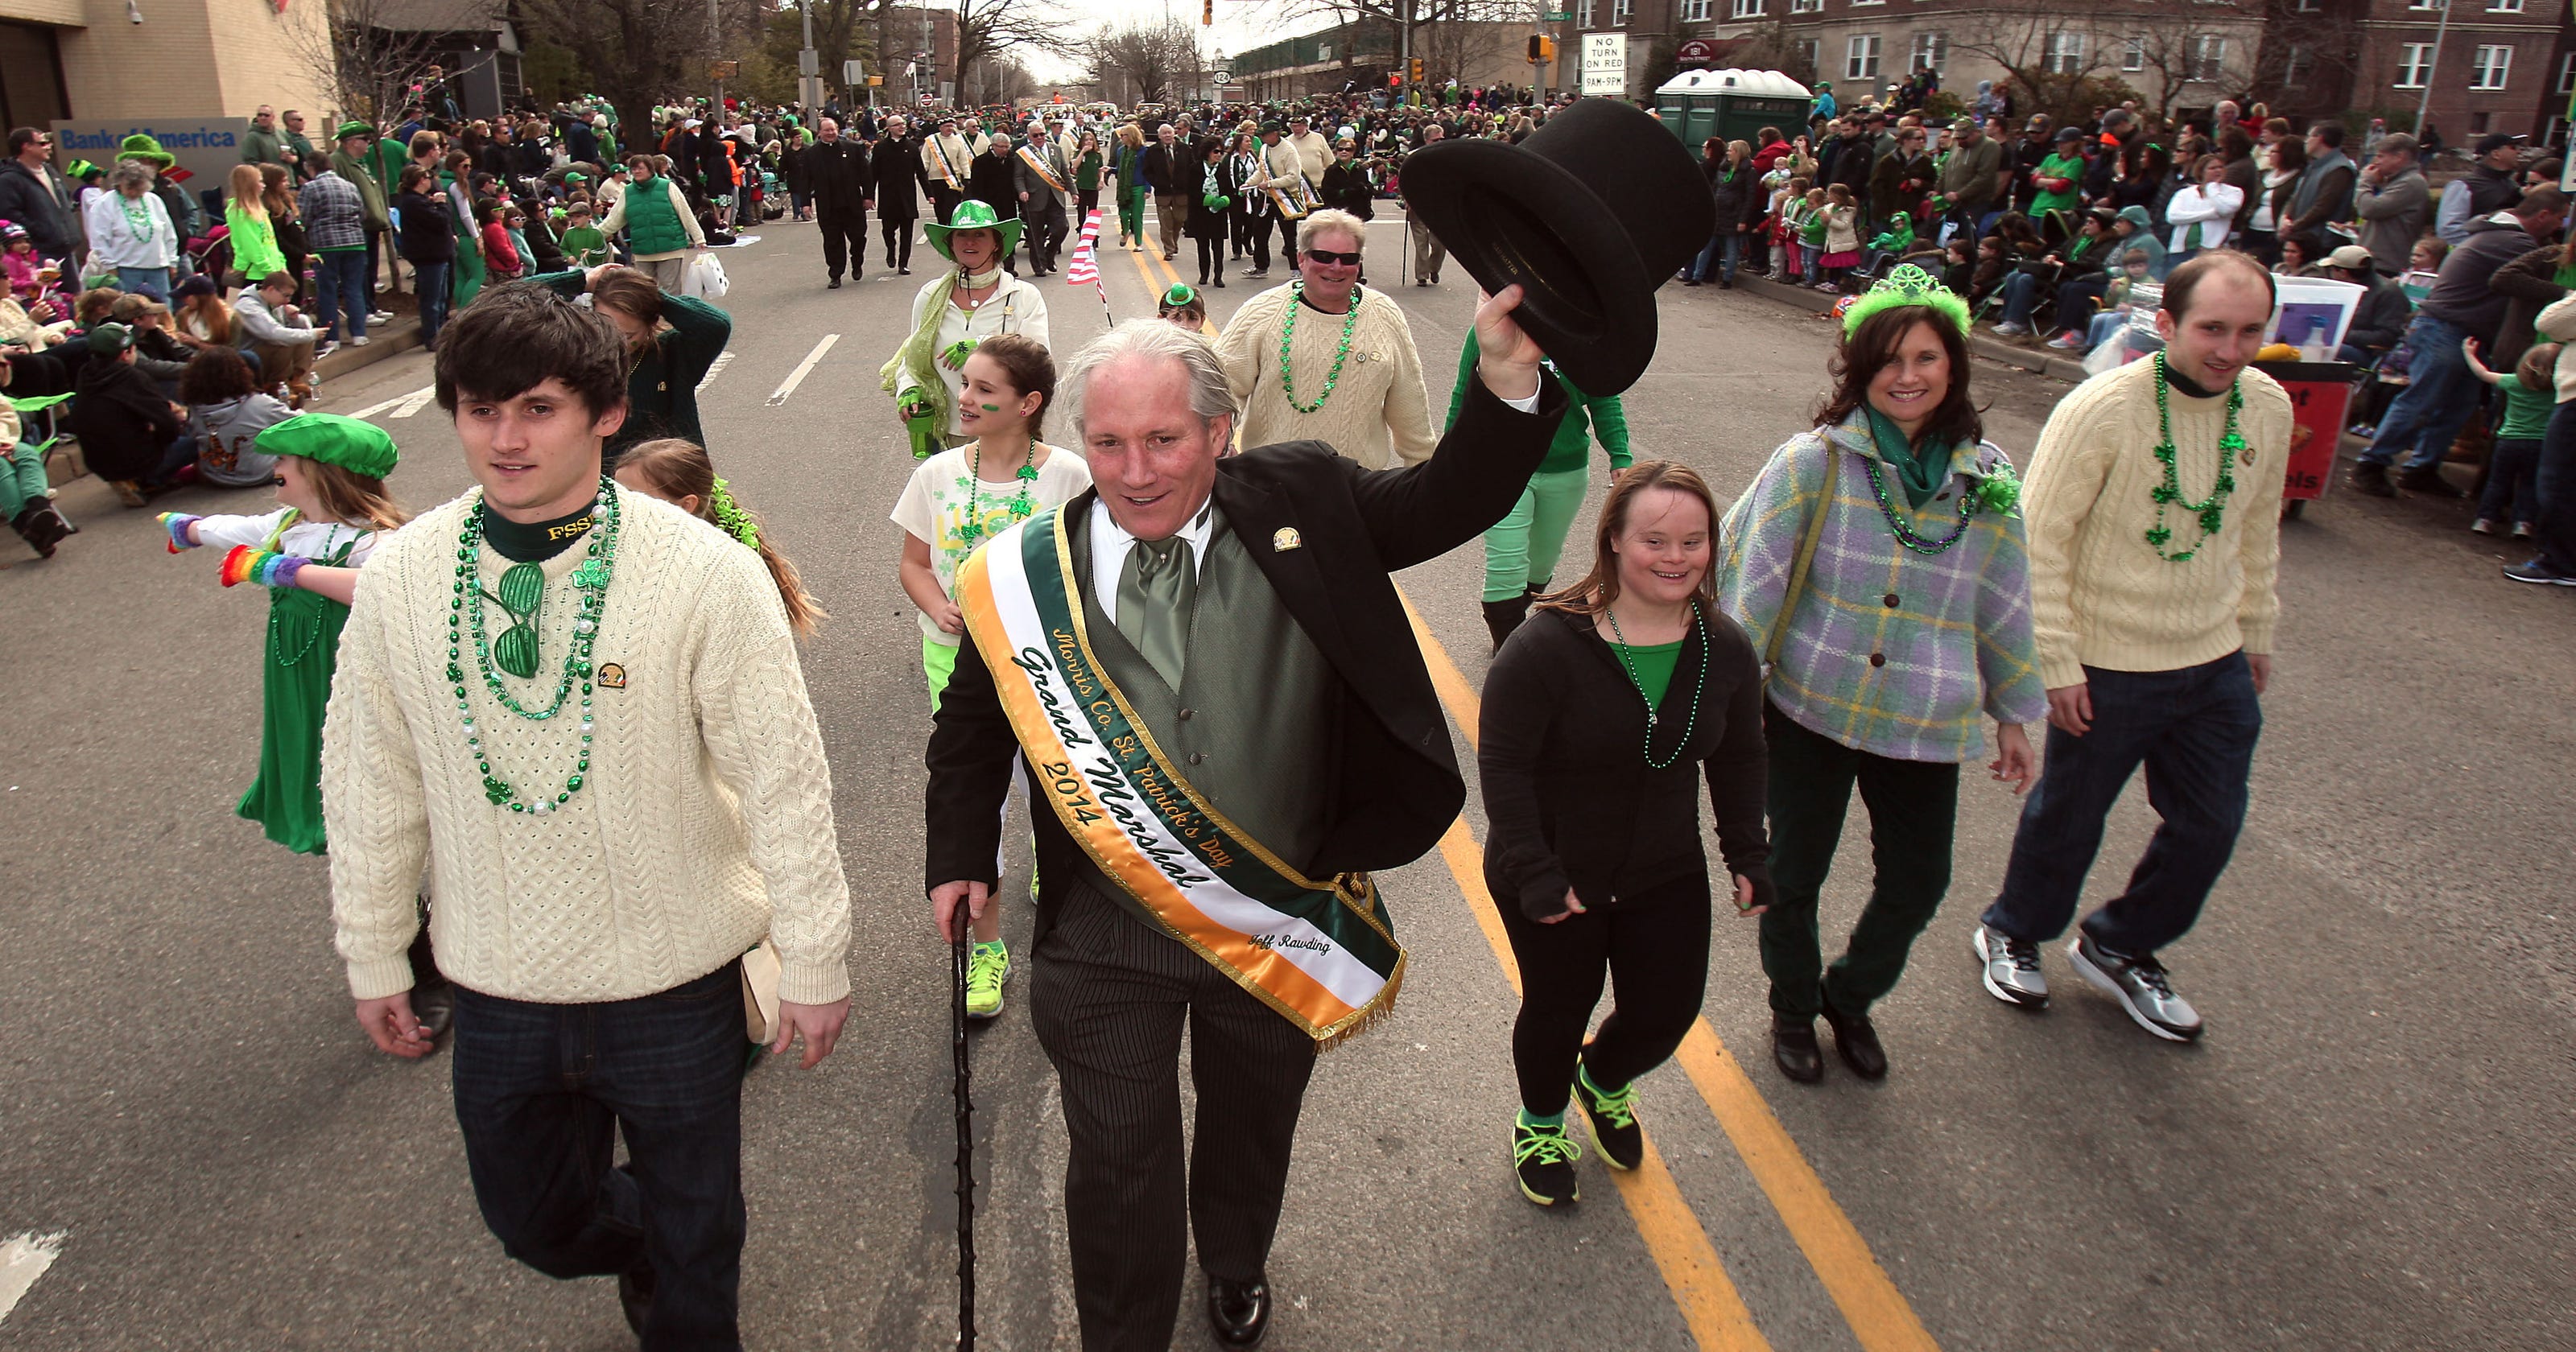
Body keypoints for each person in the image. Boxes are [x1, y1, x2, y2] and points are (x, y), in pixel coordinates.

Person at [923, 292, 1558, 1351]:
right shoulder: (1030, 576)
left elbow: (1452, 497)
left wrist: (1502, 379)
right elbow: (971, 730)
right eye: (1110, 443)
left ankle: (1232, 1257)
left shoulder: (1306, 493)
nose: (1134, 471)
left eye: (1165, 439)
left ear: (1219, 431)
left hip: (1280, 908)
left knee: (1249, 1125)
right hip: (1103, 933)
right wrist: (957, 859)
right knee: (1118, 1159)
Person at [320, 282, 853, 1348]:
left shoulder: (704, 573)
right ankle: (652, 1244)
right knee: (538, 1224)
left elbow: (783, 777)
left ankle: (689, 1297)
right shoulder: (405, 577)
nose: (505, 439)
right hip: (499, 983)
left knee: (701, 1231)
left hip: (675, 980)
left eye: (538, 409)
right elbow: (370, 776)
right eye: (480, 410)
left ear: (608, 414)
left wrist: (815, 956)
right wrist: (376, 950)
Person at [1718, 266, 2045, 1081]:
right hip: (1808, 707)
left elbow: (2003, 599)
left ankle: (1850, 995)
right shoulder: (1812, 463)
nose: (1906, 377)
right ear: (1858, 370)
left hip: (1924, 719)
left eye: (1926, 358)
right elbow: (1748, 577)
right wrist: (1729, 697)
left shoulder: (1987, 477)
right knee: (1790, 874)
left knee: (1917, 883)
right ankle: (1791, 1006)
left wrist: (2011, 712)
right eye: (1888, 360)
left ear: (1953, 366)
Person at [1975, 252, 2293, 1042]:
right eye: (2210, 330)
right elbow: (2035, 541)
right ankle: (2013, 929)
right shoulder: (2101, 409)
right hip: (2109, 661)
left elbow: (2256, 528)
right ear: (2164, 325)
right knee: (2070, 815)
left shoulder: (2266, 406)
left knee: (2210, 823)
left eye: (2249, 332)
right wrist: (2052, 659)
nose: (2229, 350)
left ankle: (2121, 944)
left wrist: (2255, 629)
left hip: (2212, 658)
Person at [1477, 460, 1770, 1206]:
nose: (1677, 558)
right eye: (1656, 540)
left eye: (1694, 541)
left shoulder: (1724, 648)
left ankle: (1601, 1078)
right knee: (1556, 1008)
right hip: (1553, 866)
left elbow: (1739, 753)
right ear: (1613, 541)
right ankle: (1541, 1122)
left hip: (1662, 869)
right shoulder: (1546, 646)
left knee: (1665, 1013)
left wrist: (1747, 848)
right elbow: (1503, 764)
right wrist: (1534, 869)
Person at [890, 334, 1092, 1019]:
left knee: (1057, 792)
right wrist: (938, 606)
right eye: (966, 385)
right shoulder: (937, 475)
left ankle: (1058, 892)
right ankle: (988, 948)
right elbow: (914, 565)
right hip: (955, 668)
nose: (965, 399)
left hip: (1048, 667)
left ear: (1029, 404)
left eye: (984, 391)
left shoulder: (1069, 475)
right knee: (981, 803)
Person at [157, 414, 407, 856]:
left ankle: (372, 824)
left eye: (285, 459)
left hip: (346, 663)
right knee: (302, 733)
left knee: (352, 740)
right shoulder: (291, 524)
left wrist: (285, 571)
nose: (275, 465)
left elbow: (381, 591)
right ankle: (315, 813)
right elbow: (239, 528)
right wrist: (192, 529)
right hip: (293, 659)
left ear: (319, 472)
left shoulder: (373, 539)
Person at [2351, 188, 2567, 499]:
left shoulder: (2492, 232)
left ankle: (2422, 467)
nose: (2560, 225)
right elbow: (2525, 276)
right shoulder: (2514, 242)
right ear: (2543, 215)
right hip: (2447, 327)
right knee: (2422, 400)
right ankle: (2371, 463)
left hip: (2459, 331)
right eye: (2560, 218)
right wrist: (2565, 294)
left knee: (2457, 406)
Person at [1447, 327, 1631, 647]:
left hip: (1566, 471)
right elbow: (1464, 395)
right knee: (1507, 565)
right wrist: (1445, 462)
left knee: (1541, 563)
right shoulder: (1489, 329)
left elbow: (1605, 400)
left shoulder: (1587, 334)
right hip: (1500, 469)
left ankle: (1513, 629)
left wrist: (1620, 455)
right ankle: (1510, 651)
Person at [1215, 209, 1434, 470]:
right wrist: (1216, 450)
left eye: (1348, 259)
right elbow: (1221, 394)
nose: (1336, 267)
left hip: (1359, 493)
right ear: (1301, 259)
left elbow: (1411, 411)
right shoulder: (1261, 313)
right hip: (1270, 488)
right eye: (1324, 256)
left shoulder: (1384, 314)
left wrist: (1424, 477)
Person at [883, 200, 1051, 460]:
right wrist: (909, 388)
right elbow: (914, 356)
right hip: (950, 429)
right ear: (951, 243)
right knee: (952, 499)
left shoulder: (1023, 296)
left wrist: (983, 347)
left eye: (979, 235)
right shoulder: (930, 296)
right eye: (962, 234)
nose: (969, 242)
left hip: (1007, 430)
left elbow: (1039, 358)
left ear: (996, 243)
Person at [613, 438, 828, 635]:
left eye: (636, 498)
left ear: (686, 505)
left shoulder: (716, 574)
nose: (621, 508)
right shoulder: (622, 550)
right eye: (617, 495)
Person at [532, 264, 732, 472]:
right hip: (602, 487)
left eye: (628, 336)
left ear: (651, 323)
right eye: (605, 326)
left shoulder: (672, 354)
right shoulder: (573, 355)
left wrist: (652, 296)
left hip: (670, 479)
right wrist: (581, 281)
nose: (615, 341)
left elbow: (716, 325)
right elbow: (509, 302)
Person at [70, 324, 188, 506]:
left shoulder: (84, 376)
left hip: (99, 462)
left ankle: (130, 479)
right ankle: (149, 480)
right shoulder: (131, 377)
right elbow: (167, 422)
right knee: (195, 440)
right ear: (126, 354)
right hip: (138, 460)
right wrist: (169, 434)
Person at [2463, 338, 2553, 540]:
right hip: (2540, 445)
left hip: (2508, 442)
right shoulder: (2556, 391)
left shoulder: (2513, 382)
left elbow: (2483, 374)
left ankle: (2485, 519)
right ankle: (2524, 523)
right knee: (2529, 484)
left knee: (2497, 482)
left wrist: (2469, 354)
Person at [177, 346, 293, 488]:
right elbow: (303, 423)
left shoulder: (195, 409)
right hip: (263, 474)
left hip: (217, 477)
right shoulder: (258, 403)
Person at [600, 154, 704, 294]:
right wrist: (593, 235)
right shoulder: (628, 192)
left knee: (670, 290)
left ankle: (672, 316)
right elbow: (614, 220)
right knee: (645, 291)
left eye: (640, 168)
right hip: (643, 250)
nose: (636, 171)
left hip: (670, 248)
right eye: (633, 169)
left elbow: (685, 214)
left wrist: (699, 238)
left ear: (650, 169)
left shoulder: (668, 187)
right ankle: (652, 316)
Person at [299, 152, 370, 354]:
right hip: (355, 241)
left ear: (311, 167)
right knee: (354, 289)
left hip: (326, 244)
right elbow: (361, 212)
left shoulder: (310, 188)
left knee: (327, 291)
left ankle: (332, 338)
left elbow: (304, 217)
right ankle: (359, 334)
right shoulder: (349, 185)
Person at [85, 162, 178, 300]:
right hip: (126, 268)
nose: (134, 192)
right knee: (130, 309)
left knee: (163, 308)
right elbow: (99, 239)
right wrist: (110, 266)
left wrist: (172, 261)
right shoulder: (105, 203)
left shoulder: (154, 200)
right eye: (130, 187)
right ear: (119, 183)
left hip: (158, 267)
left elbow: (169, 234)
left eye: (139, 187)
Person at [233, 270, 321, 408]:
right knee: (284, 342)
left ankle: (294, 380)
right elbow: (273, 334)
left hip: (266, 349)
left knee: (303, 335)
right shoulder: (247, 306)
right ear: (271, 289)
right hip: (248, 355)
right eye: (285, 296)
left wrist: (296, 318)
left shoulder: (273, 302)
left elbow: (295, 329)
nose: (287, 301)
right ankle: (276, 386)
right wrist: (312, 334)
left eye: (290, 297)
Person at [803, 117, 872, 289]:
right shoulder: (812, 154)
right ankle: (835, 274)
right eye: (826, 130)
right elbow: (805, 180)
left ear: (837, 130)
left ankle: (857, 263)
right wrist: (805, 204)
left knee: (858, 238)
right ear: (819, 132)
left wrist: (869, 197)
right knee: (832, 242)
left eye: (833, 129)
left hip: (852, 204)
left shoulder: (853, 149)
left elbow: (865, 174)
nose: (830, 133)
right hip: (828, 206)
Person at [392, 165, 456, 349]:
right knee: (432, 300)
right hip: (429, 256)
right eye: (428, 177)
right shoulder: (413, 202)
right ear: (421, 180)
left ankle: (442, 331)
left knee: (442, 297)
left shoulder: (421, 200)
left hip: (439, 254)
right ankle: (432, 337)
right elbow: (440, 221)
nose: (431, 181)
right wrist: (442, 204)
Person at [2351, 133, 2428, 275]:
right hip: (2376, 259)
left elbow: (2369, 209)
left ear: (2399, 156)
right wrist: (2358, 228)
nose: (2376, 162)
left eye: (2381, 156)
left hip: (2386, 263)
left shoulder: (2411, 182)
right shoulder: (2396, 181)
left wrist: (2365, 182)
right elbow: (2388, 220)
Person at [0, 128, 76, 267]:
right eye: (43, 143)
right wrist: (39, 230)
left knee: (73, 290)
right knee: (46, 290)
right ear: (26, 146)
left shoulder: (50, 171)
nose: (49, 146)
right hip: (39, 253)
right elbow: (10, 214)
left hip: (66, 250)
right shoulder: (9, 179)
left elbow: (65, 199)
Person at [2322, 245, 2408, 365]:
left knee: (2320, 349)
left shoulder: (2388, 293)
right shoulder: (2346, 289)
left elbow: (2387, 336)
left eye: (2331, 270)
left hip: (2369, 353)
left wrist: (2341, 334)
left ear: (2343, 273)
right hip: (2345, 343)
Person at [2164, 155, 2244, 274]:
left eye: (2220, 167)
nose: (2218, 171)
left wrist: (2212, 188)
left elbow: (2224, 209)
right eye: (2212, 168)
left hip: (2212, 251)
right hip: (2181, 250)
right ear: (2201, 171)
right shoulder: (2185, 193)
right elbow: (2173, 217)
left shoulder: (2234, 192)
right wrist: (2209, 214)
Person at [1014, 130, 1072, 276]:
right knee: (1036, 235)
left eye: (1042, 134)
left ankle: (1049, 254)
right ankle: (1039, 266)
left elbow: (1065, 172)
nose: (1039, 137)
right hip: (1034, 199)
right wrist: (1022, 191)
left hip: (1055, 197)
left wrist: (1074, 192)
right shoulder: (1023, 154)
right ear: (1029, 136)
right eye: (1035, 135)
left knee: (1062, 228)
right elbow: (1019, 176)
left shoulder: (1056, 149)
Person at [873, 117, 925, 276]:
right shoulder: (881, 147)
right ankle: (890, 249)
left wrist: (930, 194)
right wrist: (868, 196)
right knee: (888, 230)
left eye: (903, 124)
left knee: (907, 232)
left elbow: (921, 172)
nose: (902, 127)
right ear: (889, 128)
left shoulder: (911, 146)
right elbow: (873, 172)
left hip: (907, 196)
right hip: (888, 196)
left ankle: (904, 263)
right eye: (897, 125)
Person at [1184, 140, 1235, 289]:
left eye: (1221, 152)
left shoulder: (1223, 169)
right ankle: (1204, 274)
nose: (1219, 155)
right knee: (1203, 245)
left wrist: (1223, 200)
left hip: (1218, 214)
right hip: (1200, 213)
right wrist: (1208, 200)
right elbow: (1191, 191)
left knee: (1218, 247)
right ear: (1207, 152)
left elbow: (1229, 190)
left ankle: (1218, 276)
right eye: (1216, 152)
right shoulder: (1195, 168)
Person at [1141, 122, 1194, 262]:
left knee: (1179, 220)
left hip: (1181, 192)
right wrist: (1157, 182)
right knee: (1166, 224)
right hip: (1163, 193)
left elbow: (1192, 167)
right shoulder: (1152, 151)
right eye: (1164, 133)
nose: (1167, 135)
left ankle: (1173, 242)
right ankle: (1169, 250)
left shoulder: (1184, 149)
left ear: (1174, 134)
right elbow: (1147, 171)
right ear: (1159, 136)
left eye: (1169, 133)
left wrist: (1188, 183)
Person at [920, 114, 978, 231]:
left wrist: (967, 176)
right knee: (939, 206)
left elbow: (963, 160)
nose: (949, 129)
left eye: (951, 126)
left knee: (951, 205)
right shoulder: (932, 141)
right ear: (940, 127)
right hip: (935, 179)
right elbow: (925, 159)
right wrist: (921, 173)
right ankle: (942, 226)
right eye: (947, 126)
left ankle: (952, 228)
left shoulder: (958, 140)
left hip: (953, 179)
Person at [1410, 123, 1449, 284]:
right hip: (1418, 204)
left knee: (1439, 244)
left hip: (1439, 205)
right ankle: (1422, 276)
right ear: (1427, 140)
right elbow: (1406, 180)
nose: (1440, 142)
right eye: (1435, 140)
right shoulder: (1414, 157)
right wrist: (1407, 198)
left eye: (1442, 139)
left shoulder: (1449, 157)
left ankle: (1433, 268)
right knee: (1421, 244)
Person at [1111, 123, 1148, 250]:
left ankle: (1138, 243)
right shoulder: (1121, 150)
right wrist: (1110, 170)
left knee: (1137, 215)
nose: (1121, 138)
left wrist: (1148, 188)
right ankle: (1125, 232)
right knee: (1124, 214)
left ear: (1131, 136)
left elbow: (1148, 170)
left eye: (1123, 135)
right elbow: (1119, 169)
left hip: (1139, 186)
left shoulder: (1143, 150)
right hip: (1124, 187)